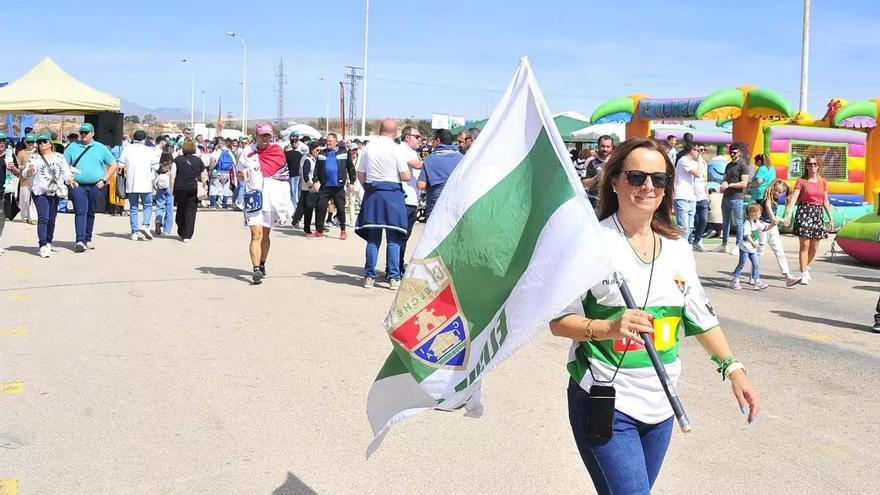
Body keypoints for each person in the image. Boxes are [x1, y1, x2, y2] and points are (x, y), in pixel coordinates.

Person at [549, 138, 759, 495]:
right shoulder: (590, 244)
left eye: (659, 180)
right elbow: (559, 321)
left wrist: (734, 369)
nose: (648, 187)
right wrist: (608, 328)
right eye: (637, 177)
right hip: (605, 400)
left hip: (661, 401)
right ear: (614, 181)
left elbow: (699, 315)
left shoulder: (677, 247)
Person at [355, 119, 412, 289]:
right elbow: (405, 176)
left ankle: (369, 276)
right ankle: (393, 278)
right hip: (393, 195)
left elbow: (360, 173)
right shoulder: (396, 149)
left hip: (373, 194)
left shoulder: (368, 147)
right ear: (395, 132)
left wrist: (368, 188)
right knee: (394, 239)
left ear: (380, 130)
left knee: (373, 239)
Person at [237, 122, 293, 284]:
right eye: (262, 135)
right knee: (256, 234)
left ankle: (262, 264)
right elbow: (239, 172)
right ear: (257, 135)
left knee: (266, 235)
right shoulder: (247, 152)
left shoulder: (277, 151)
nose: (265, 139)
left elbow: (283, 176)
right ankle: (255, 270)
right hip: (254, 198)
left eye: (268, 135)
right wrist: (241, 175)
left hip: (271, 199)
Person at [64, 123, 119, 252]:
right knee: (80, 211)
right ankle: (80, 240)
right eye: (81, 132)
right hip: (78, 185)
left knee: (90, 212)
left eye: (86, 132)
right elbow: (63, 164)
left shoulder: (100, 148)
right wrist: (70, 178)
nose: (83, 135)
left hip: (95, 186)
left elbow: (113, 164)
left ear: (92, 133)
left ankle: (88, 238)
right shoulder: (72, 147)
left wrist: (104, 180)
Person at [783, 155, 835, 285]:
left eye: (815, 164)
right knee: (804, 246)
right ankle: (803, 273)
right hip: (804, 212)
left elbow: (825, 200)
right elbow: (794, 198)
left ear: (818, 166)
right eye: (810, 164)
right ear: (806, 166)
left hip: (817, 213)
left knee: (814, 247)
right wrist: (788, 214)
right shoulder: (801, 181)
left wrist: (831, 219)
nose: (813, 166)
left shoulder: (823, 181)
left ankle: (805, 265)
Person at [23, 133, 74, 258]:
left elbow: (66, 172)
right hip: (39, 191)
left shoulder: (59, 157)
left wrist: (71, 180)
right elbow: (25, 172)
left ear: (50, 143)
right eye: (39, 142)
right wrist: (28, 171)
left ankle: (49, 241)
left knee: (51, 219)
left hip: (55, 191)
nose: (41, 144)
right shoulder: (34, 158)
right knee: (43, 218)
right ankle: (42, 244)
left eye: (44, 141)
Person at [311, 133, 355, 239]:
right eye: (327, 141)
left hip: (338, 186)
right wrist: (315, 180)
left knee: (340, 209)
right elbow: (317, 168)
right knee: (320, 208)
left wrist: (352, 182)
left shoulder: (343, 153)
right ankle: (319, 231)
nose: (328, 143)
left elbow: (351, 168)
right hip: (325, 186)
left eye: (330, 141)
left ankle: (343, 230)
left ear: (336, 142)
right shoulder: (322, 153)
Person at [118, 130, 159, 241]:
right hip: (145, 183)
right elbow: (156, 167)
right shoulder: (149, 150)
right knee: (147, 205)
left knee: (133, 208)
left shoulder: (127, 149)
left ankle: (134, 232)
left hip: (131, 183)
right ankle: (145, 225)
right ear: (144, 139)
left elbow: (120, 164)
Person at [759, 179, 800, 287]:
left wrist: (785, 218)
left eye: (780, 192)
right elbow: (772, 216)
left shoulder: (777, 201)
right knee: (759, 253)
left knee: (780, 251)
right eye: (775, 190)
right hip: (763, 227)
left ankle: (787, 277)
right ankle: (753, 277)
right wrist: (782, 220)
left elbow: (775, 219)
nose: (777, 193)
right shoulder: (767, 200)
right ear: (772, 188)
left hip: (773, 229)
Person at [395, 125, 424, 275]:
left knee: (404, 237)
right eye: (417, 137)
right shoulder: (404, 150)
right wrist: (438, 160)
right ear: (408, 137)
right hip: (405, 200)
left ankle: (398, 265)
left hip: (412, 200)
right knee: (401, 237)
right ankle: (395, 267)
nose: (420, 140)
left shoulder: (411, 151)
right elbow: (418, 165)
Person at [417, 128, 464, 218]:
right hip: (456, 206)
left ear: (438, 140)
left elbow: (421, 185)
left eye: (433, 140)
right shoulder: (462, 158)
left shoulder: (430, 159)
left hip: (436, 206)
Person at [716, 142, 750, 254]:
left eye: (734, 153)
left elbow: (744, 183)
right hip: (726, 196)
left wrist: (729, 185)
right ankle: (724, 244)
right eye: (730, 153)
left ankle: (738, 245)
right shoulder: (729, 165)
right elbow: (725, 178)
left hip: (737, 197)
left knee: (739, 221)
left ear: (739, 152)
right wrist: (723, 184)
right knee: (725, 221)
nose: (732, 155)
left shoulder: (743, 165)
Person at [172, 140, 205, 242]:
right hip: (193, 188)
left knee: (180, 209)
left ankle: (181, 230)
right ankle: (187, 235)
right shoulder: (198, 160)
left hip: (179, 187)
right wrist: (203, 184)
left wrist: (171, 187)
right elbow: (204, 176)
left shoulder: (177, 160)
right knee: (191, 211)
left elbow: (173, 174)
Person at [731, 203, 769, 290]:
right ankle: (735, 279)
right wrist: (753, 243)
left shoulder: (757, 222)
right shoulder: (747, 223)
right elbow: (747, 235)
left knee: (756, 264)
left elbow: (764, 228)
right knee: (742, 264)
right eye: (759, 213)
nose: (760, 215)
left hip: (752, 249)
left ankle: (757, 281)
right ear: (752, 214)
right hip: (745, 247)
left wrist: (773, 224)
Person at [673, 142, 700, 244]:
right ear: (692, 150)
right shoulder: (683, 160)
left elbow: (701, 173)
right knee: (683, 226)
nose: (699, 153)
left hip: (691, 197)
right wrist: (700, 160)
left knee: (689, 226)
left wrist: (699, 160)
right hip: (681, 196)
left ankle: (684, 244)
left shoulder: (694, 163)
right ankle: (680, 245)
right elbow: (697, 174)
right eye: (697, 150)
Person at [292, 141, 321, 234]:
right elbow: (305, 174)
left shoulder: (315, 159)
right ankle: (306, 227)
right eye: (317, 150)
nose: (319, 152)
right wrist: (310, 185)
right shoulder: (307, 159)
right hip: (308, 188)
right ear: (312, 150)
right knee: (307, 208)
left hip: (315, 187)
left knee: (311, 207)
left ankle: (318, 227)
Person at [581, 135, 613, 208]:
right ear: (598, 146)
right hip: (593, 200)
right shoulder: (590, 161)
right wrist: (597, 178)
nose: (605, 149)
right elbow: (583, 184)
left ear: (611, 147)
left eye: (608, 146)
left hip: (610, 201)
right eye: (603, 146)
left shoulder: (614, 161)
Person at [15, 134, 38, 224]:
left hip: (36, 181)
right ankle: (24, 216)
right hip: (24, 180)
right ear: (25, 143)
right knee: (24, 200)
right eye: (28, 142)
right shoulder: (21, 153)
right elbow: (17, 165)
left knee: (34, 200)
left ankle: (33, 217)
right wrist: (25, 167)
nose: (30, 144)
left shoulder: (37, 152)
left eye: (32, 142)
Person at [691, 144, 710, 251]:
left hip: (702, 195)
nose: (701, 152)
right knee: (694, 221)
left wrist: (707, 194)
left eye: (703, 150)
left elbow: (705, 179)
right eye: (699, 150)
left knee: (704, 219)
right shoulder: (691, 162)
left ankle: (697, 239)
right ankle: (693, 241)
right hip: (692, 194)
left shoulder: (704, 163)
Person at [208, 139, 236, 209]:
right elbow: (234, 163)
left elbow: (213, 161)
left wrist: (210, 170)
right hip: (227, 173)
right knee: (225, 188)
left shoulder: (217, 151)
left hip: (216, 171)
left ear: (221, 144)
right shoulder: (230, 152)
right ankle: (224, 204)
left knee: (213, 187)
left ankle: (213, 204)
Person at [153, 153, 175, 236]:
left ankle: (158, 221)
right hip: (169, 187)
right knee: (169, 209)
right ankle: (167, 229)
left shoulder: (159, 166)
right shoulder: (171, 165)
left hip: (160, 188)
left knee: (160, 207)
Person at [285, 132, 303, 209]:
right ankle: (298, 207)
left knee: (293, 192)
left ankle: (294, 208)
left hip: (292, 175)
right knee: (298, 192)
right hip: (299, 174)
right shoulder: (299, 153)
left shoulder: (286, 154)